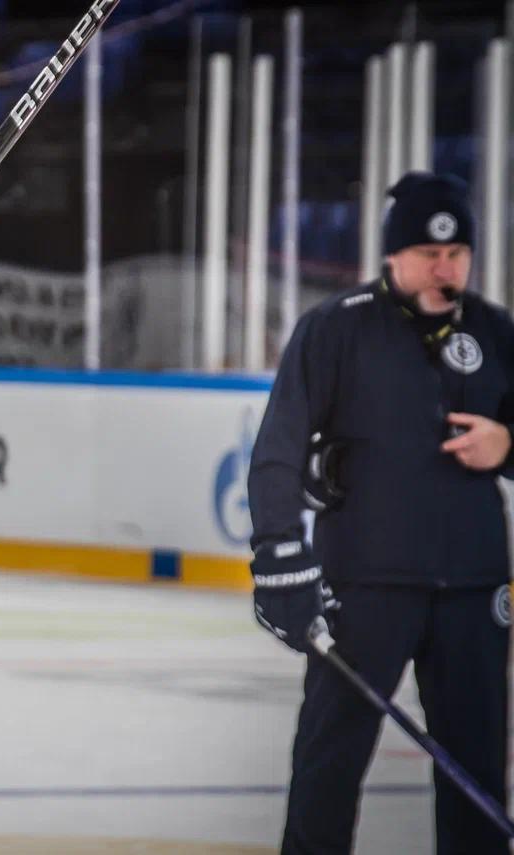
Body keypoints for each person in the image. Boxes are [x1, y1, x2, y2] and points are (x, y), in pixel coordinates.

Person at [247, 171, 514, 855]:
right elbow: (277, 450)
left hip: (475, 589)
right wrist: (279, 555)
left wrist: (508, 441)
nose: (444, 267)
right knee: (329, 762)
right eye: (429, 252)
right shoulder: (336, 329)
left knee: (478, 772)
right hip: (365, 586)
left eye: (457, 254)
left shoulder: (496, 331)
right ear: (393, 253)